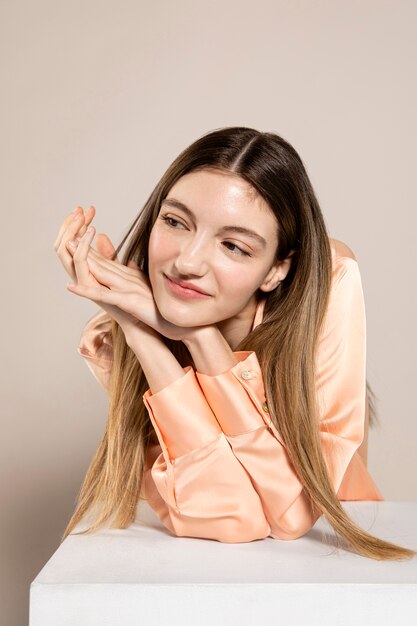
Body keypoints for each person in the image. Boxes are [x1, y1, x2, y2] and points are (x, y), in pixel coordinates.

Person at [54, 126, 416, 560]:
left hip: (335, 566)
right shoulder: (116, 333)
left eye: (233, 246)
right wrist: (142, 337)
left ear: (276, 270)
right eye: (174, 222)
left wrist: (198, 338)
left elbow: (292, 515)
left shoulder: (328, 280)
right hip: (215, 579)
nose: (186, 263)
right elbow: (228, 517)